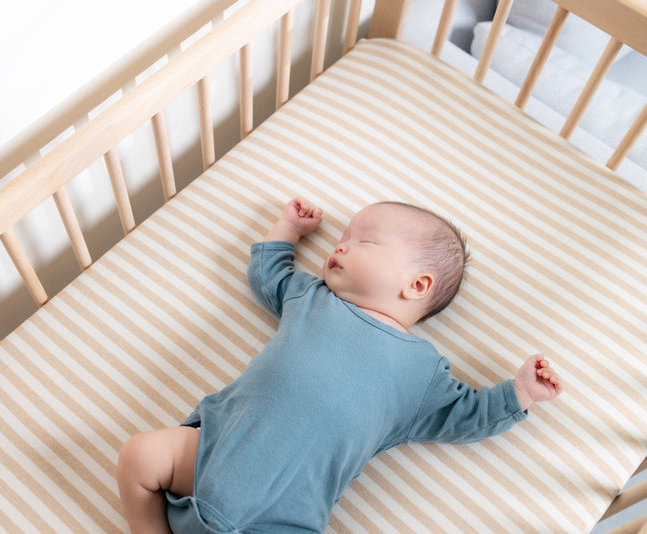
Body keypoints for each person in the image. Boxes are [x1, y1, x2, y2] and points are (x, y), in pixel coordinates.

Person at [117, 198, 564, 533]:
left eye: (362, 242)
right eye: (342, 238)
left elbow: (468, 415)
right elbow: (267, 275)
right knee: (139, 454)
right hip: (212, 453)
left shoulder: (423, 373)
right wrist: (287, 228)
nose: (341, 246)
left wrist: (520, 392)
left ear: (417, 285)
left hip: (287, 515)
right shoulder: (312, 298)